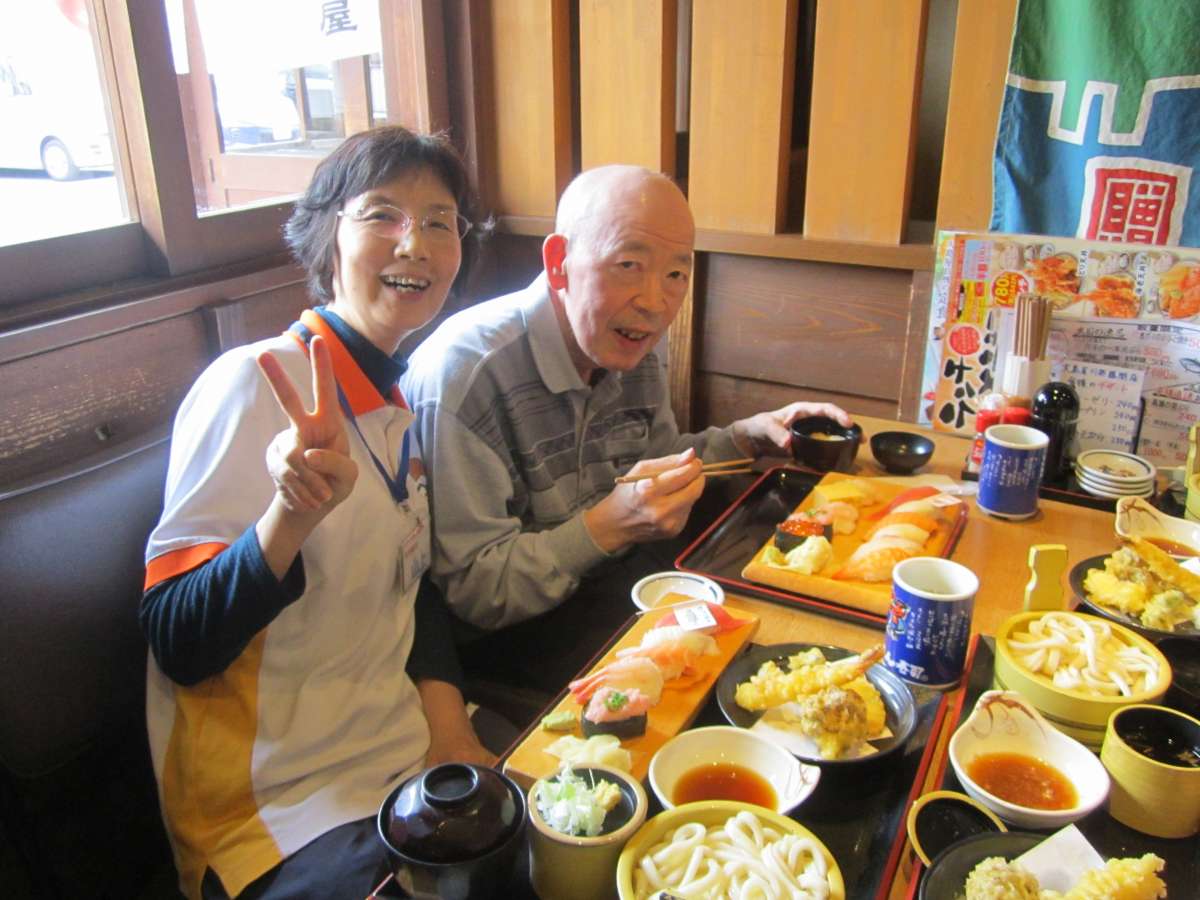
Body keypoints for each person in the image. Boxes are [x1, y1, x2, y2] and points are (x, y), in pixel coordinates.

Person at [139, 126, 497, 900]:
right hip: (274, 811)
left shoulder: (394, 408)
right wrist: (290, 513)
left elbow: (413, 586)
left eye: (439, 222)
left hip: (399, 754)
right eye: (382, 215)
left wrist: (452, 730)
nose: (415, 243)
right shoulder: (251, 384)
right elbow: (177, 640)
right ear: (326, 237)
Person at [399, 164, 855, 693]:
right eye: (628, 265)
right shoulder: (466, 376)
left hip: (610, 585)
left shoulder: (631, 339)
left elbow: (654, 465)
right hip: (506, 641)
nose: (655, 302)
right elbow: (477, 592)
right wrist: (609, 525)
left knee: (784, 631)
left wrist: (747, 436)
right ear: (559, 263)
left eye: (676, 275)